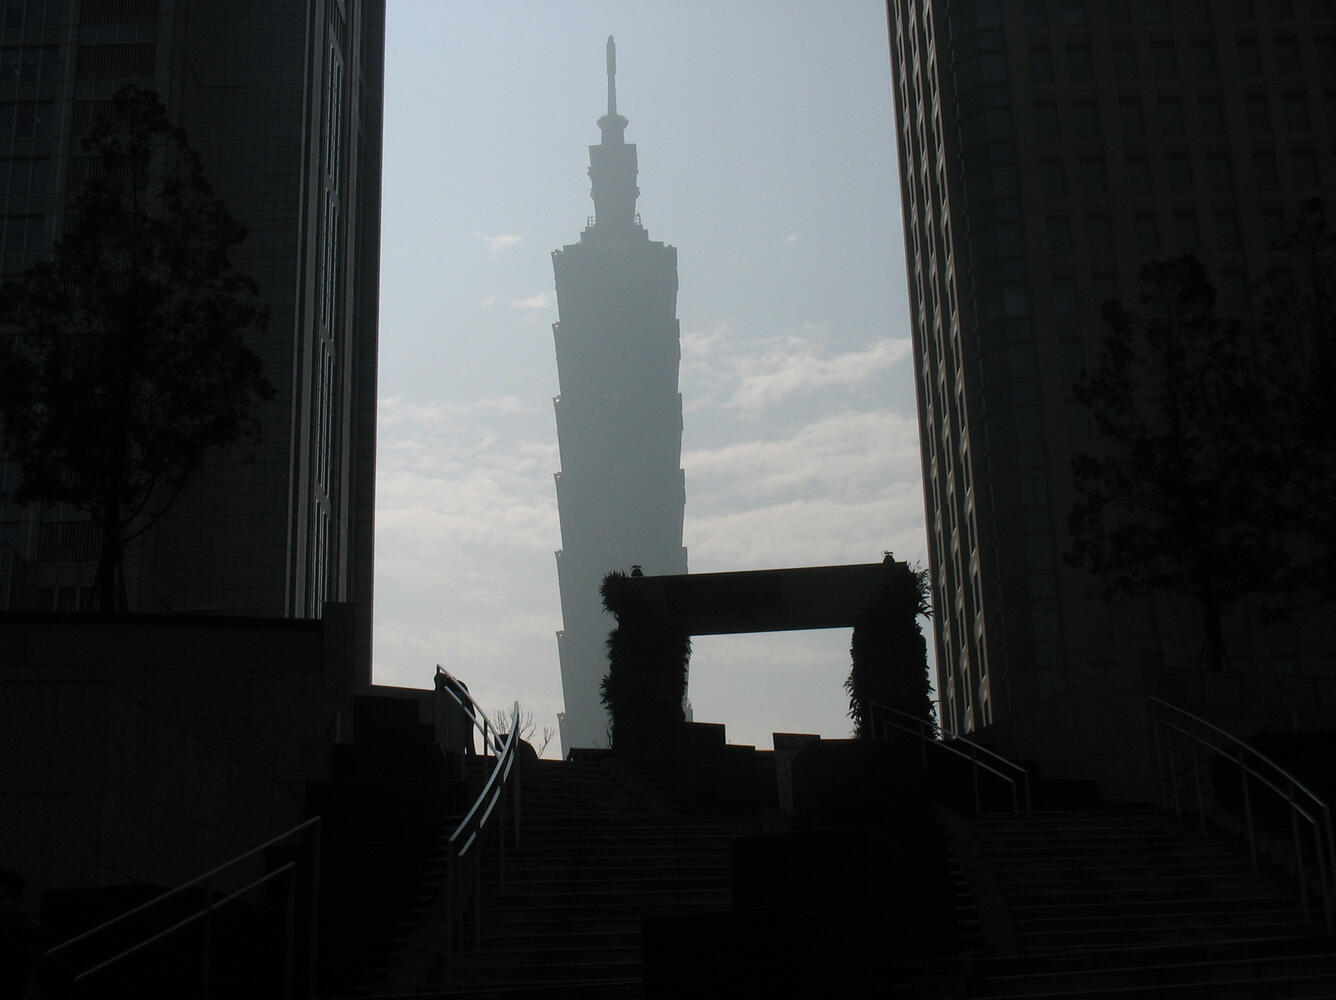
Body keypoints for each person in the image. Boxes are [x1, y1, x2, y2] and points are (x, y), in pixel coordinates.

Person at [434, 666, 477, 756]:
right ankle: (471, 755)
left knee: (467, 738)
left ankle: (471, 756)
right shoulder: (456, 684)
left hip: (465, 716)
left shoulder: (453, 686)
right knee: (468, 739)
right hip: (467, 715)